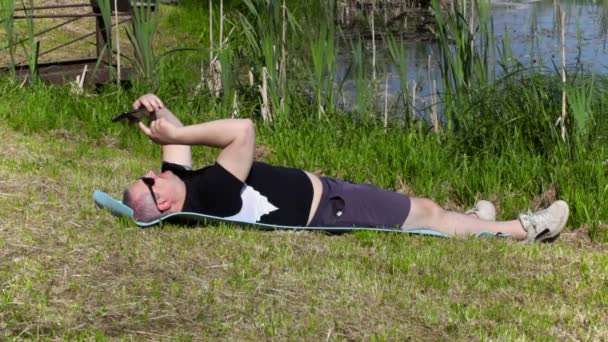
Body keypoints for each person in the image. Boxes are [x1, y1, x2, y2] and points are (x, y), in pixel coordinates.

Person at [123, 94, 569, 243]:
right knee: (428, 213)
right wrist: (176, 138)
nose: (155, 169)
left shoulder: (180, 187)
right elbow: (243, 129)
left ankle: (473, 225)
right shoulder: (212, 196)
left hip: (329, 193)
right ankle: (524, 230)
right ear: (162, 201)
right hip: (332, 208)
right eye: (150, 178)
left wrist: (156, 110)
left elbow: (176, 137)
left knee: (429, 210)